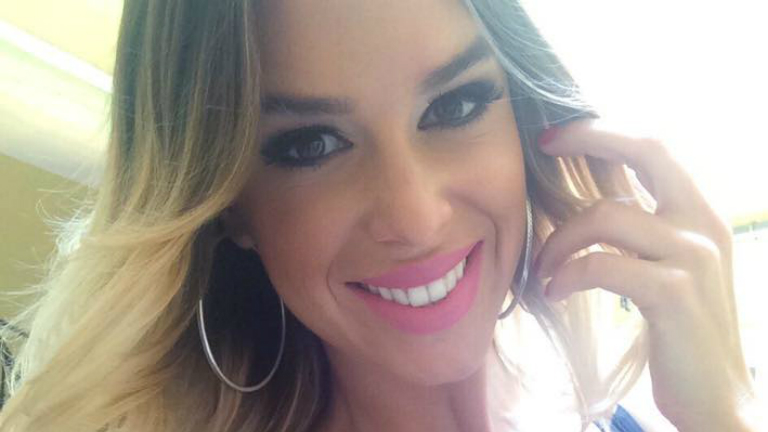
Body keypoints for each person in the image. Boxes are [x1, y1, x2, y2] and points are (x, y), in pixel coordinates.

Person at [0, 0, 761, 430]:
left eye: (456, 105)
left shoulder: (620, 404)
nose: (415, 215)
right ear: (229, 208)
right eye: (310, 144)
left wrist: (723, 409)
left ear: (528, 117)